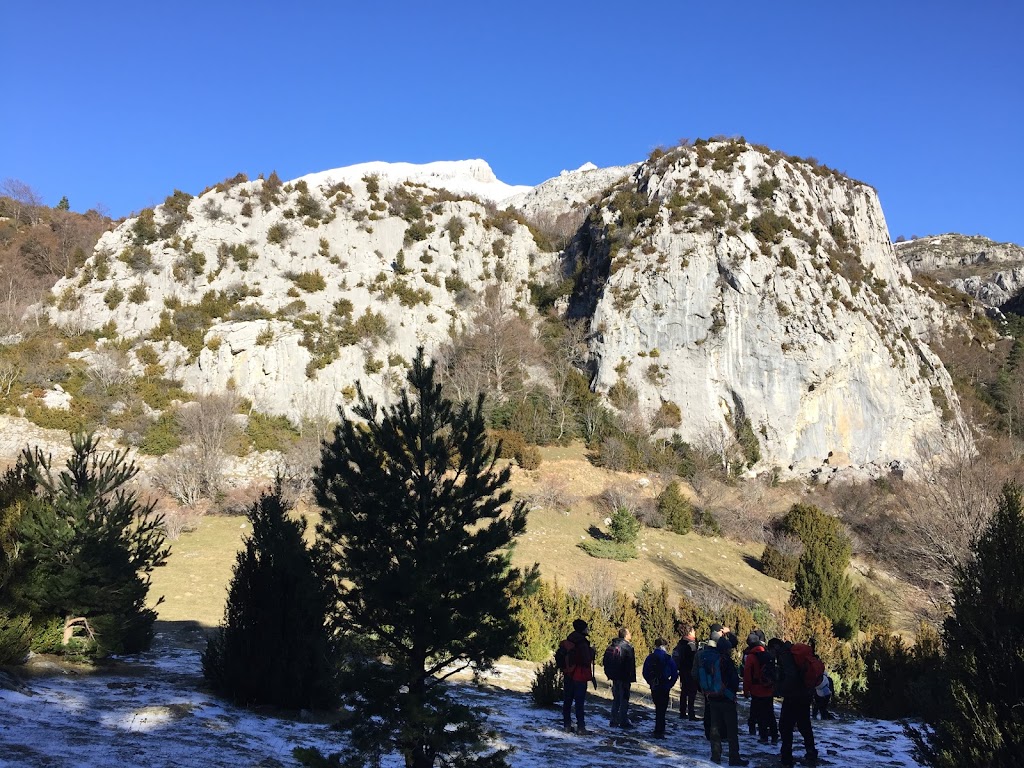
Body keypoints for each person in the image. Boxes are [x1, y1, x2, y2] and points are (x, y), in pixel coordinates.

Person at [696, 624, 748, 766]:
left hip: (712, 697)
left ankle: (715, 755)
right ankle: (734, 758)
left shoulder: (709, 658)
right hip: (726, 698)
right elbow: (733, 680)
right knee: (731, 730)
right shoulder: (727, 662)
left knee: (715, 729)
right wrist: (732, 694)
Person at [767, 638, 819, 767]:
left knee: (785, 726)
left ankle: (786, 758)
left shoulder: (785, 655)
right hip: (805, 694)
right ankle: (811, 752)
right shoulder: (793, 651)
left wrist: (779, 689)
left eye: (771, 651)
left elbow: (791, 677)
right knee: (804, 724)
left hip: (793, 696)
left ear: (775, 647)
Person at [557, 618, 596, 734]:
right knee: (579, 703)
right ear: (583, 629)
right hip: (579, 675)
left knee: (567, 701)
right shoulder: (582, 643)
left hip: (569, 673)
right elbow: (585, 659)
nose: (588, 629)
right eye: (586, 627)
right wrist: (592, 651)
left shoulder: (570, 639)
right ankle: (581, 727)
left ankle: (567, 725)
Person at [742, 631, 779, 746]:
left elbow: (747, 675)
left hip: (757, 689)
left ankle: (763, 736)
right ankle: (774, 735)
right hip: (768, 688)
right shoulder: (767, 654)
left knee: (760, 714)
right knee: (770, 713)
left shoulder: (751, 657)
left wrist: (746, 690)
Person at [642, 637, 679, 738]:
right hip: (665, 685)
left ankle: (658, 728)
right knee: (662, 709)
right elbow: (675, 673)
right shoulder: (668, 658)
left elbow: (645, 672)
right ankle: (660, 729)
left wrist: (650, 682)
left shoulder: (650, 657)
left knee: (657, 707)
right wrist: (670, 684)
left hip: (655, 685)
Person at [603, 626, 637, 728]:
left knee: (616, 698)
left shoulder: (613, 645)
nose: (630, 634)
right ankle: (623, 721)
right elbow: (630, 664)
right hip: (624, 677)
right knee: (624, 699)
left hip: (614, 676)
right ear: (625, 635)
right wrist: (631, 677)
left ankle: (613, 720)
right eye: (629, 633)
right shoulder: (627, 648)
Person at [672, 623, 700, 721]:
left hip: (683, 671)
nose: (695, 633)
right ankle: (691, 713)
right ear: (690, 632)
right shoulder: (691, 645)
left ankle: (682, 712)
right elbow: (694, 660)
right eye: (693, 631)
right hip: (690, 671)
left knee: (684, 692)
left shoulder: (681, 643)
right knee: (692, 693)